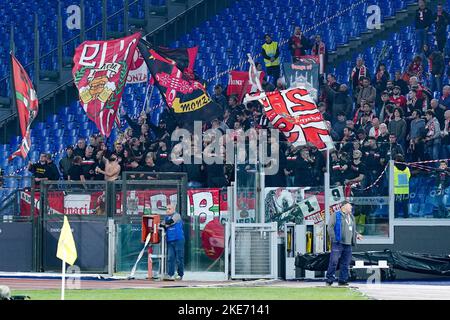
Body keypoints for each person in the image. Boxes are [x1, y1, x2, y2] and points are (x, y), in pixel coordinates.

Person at [326, 201, 363, 286]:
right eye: (350, 206)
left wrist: (356, 235)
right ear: (344, 206)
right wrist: (334, 238)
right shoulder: (336, 215)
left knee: (345, 263)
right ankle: (329, 279)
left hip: (348, 243)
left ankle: (343, 280)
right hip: (338, 242)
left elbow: (352, 229)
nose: (351, 207)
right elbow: (330, 228)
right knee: (334, 261)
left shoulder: (351, 217)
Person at [163, 203, 185, 281]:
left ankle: (180, 275)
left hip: (178, 239)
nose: (167, 210)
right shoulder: (165, 218)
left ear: (173, 209)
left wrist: (164, 225)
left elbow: (171, 222)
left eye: (169, 209)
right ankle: (170, 274)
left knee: (179, 258)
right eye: (167, 209)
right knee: (170, 258)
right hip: (170, 240)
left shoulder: (177, 215)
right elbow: (162, 225)